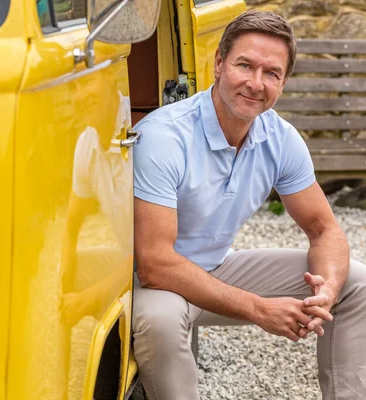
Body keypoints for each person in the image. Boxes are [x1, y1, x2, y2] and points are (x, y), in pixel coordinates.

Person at [132, 10, 366, 400]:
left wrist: (326, 289)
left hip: (219, 269)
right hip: (153, 283)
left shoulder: (280, 138)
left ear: (283, 82)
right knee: (159, 319)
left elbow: (324, 229)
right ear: (219, 64)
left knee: (355, 282)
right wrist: (260, 309)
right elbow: (155, 262)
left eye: (271, 73)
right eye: (245, 65)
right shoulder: (162, 136)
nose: (256, 84)